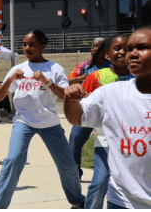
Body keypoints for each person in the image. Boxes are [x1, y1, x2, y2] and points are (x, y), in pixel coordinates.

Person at [0, 30, 85, 209]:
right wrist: (10, 79)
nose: (27, 48)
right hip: (23, 122)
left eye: (32, 45)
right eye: (25, 44)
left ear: (42, 46)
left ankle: (78, 200)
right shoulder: (18, 69)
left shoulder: (55, 68)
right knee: (13, 160)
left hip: (50, 123)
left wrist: (46, 81)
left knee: (68, 166)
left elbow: (65, 95)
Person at [63, 26, 151, 209]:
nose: (131, 54)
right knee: (98, 180)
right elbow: (78, 117)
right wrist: (70, 97)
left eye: (141, 47)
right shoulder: (106, 88)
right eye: (129, 49)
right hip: (122, 201)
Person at [80, 34, 135, 209]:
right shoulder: (96, 77)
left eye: (126, 49)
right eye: (117, 48)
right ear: (107, 54)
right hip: (105, 139)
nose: (121, 52)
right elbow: (82, 106)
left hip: (135, 141)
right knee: (100, 182)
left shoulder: (140, 78)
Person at [68, 37, 112, 179]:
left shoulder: (112, 67)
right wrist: (78, 80)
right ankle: (75, 174)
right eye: (92, 46)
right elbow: (66, 80)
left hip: (106, 112)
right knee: (75, 140)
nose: (94, 49)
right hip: (86, 111)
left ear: (105, 51)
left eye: (97, 47)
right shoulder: (83, 66)